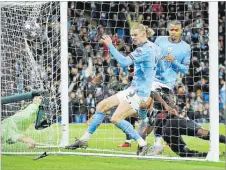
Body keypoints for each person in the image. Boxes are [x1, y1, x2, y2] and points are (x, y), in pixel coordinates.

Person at [65, 23, 162, 156]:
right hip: (133, 89)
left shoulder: (143, 50)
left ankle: (144, 144)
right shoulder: (154, 47)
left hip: (139, 93)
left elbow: (123, 62)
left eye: (135, 35)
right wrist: (142, 71)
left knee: (116, 118)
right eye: (131, 35)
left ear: (143, 34)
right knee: (101, 106)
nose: (132, 37)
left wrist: (110, 45)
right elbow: (155, 64)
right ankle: (84, 139)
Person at [118, 20, 191, 150]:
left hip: (166, 83)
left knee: (159, 113)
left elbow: (185, 70)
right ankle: (137, 140)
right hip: (150, 80)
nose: (173, 32)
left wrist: (174, 61)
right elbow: (150, 55)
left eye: (176, 30)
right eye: (171, 30)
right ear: (168, 29)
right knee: (137, 106)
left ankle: (154, 143)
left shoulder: (186, 47)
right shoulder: (160, 40)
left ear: (181, 31)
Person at [139, 106, 226, 157]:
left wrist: (140, 148)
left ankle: (209, 154)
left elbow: (144, 133)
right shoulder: (161, 104)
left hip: (167, 131)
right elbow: (174, 110)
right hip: (176, 121)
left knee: (183, 153)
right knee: (203, 133)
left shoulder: (150, 120)